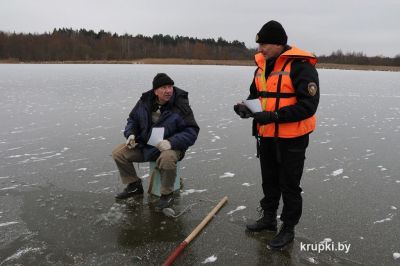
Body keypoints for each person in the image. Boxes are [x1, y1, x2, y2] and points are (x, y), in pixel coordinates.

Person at [234, 20, 319, 249]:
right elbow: (255, 96)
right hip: (267, 135)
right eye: (260, 44)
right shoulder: (261, 66)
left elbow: (308, 106)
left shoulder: (301, 66)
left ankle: (288, 228)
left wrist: (273, 116)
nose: (260, 49)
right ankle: (269, 218)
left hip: (292, 139)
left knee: (289, 185)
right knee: (269, 180)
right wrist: (245, 107)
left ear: (279, 44)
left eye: (264, 44)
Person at [112, 73, 199, 210]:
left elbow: (192, 131)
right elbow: (132, 120)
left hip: (170, 148)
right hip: (146, 145)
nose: (168, 90)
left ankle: (167, 194)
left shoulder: (181, 106)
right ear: (155, 91)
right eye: (164, 87)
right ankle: (134, 185)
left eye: (170, 86)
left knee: (167, 158)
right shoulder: (144, 102)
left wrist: (171, 142)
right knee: (118, 153)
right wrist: (131, 134)